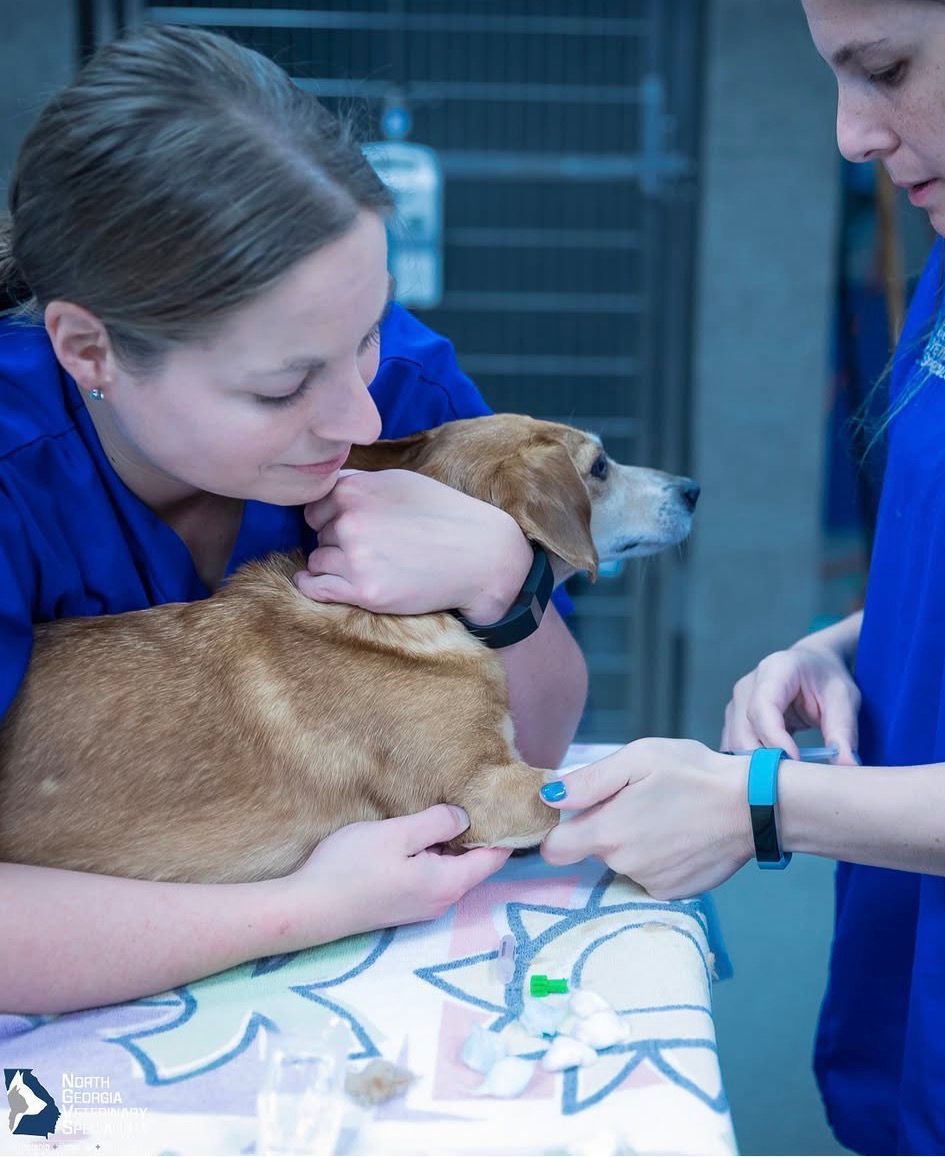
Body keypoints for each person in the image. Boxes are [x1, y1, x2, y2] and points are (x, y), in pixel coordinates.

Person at [540, 0, 945, 1151]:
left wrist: (768, 805)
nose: (851, 134)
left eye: (885, 68)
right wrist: (839, 647)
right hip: (923, 965)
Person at [0, 25, 587, 1015]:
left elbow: (527, 749)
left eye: (364, 333)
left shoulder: (406, 387)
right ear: (88, 349)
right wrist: (305, 905)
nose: (360, 421)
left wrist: (502, 582)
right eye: (282, 386)